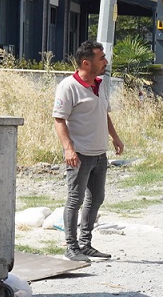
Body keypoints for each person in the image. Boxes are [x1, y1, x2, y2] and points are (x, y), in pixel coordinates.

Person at [52, 42, 124, 261]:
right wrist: (68, 149)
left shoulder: (100, 84)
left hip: (99, 154)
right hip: (80, 154)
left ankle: (86, 244)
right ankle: (71, 247)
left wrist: (115, 137)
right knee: (75, 199)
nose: (106, 62)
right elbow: (59, 119)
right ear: (86, 62)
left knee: (97, 198)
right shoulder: (68, 86)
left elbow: (104, 114)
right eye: (101, 58)